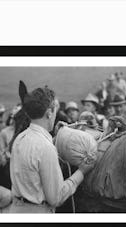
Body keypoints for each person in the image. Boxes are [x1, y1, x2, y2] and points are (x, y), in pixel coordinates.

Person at [10, 82, 95, 213]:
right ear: (49, 113)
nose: (56, 114)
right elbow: (56, 198)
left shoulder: (20, 139)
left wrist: (54, 136)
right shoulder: (46, 148)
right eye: (55, 109)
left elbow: (34, 158)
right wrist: (82, 172)